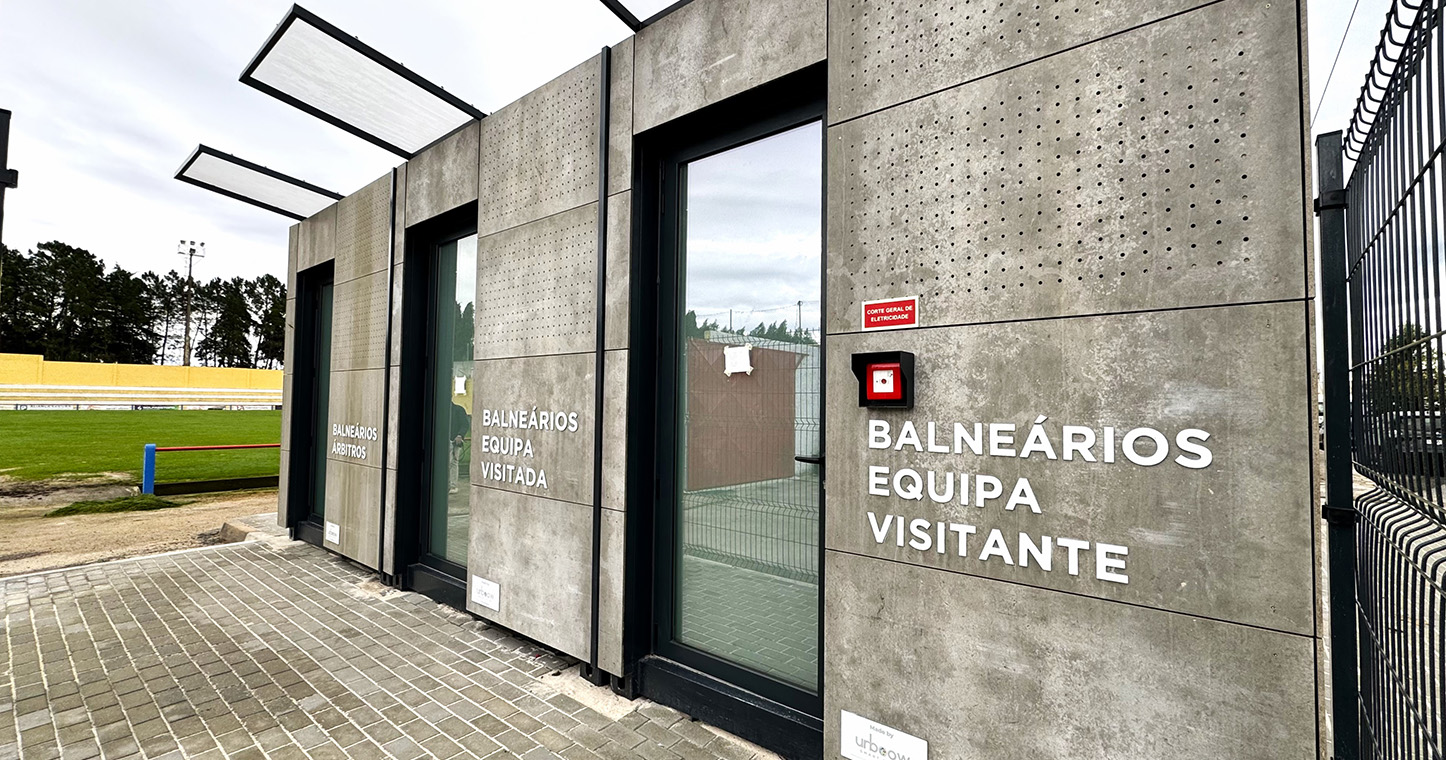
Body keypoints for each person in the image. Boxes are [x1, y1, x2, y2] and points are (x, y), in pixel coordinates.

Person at [448, 400, 470, 494]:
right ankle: (450, 485)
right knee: (451, 463)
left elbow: (465, 424)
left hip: (453, 440)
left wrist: (460, 435)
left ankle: (452, 485)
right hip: (445, 439)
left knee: (453, 462)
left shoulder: (459, 410)